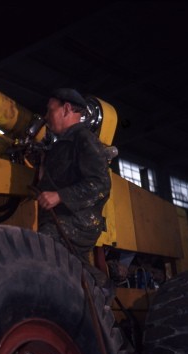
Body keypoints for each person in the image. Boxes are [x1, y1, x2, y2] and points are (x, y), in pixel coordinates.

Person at [34, 88, 112, 289]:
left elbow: (101, 183)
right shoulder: (61, 144)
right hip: (58, 217)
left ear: (66, 109)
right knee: (67, 270)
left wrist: (60, 196)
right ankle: (94, 290)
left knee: (42, 251)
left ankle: (99, 284)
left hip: (75, 221)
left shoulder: (84, 139)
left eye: (50, 110)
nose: (46, 116)